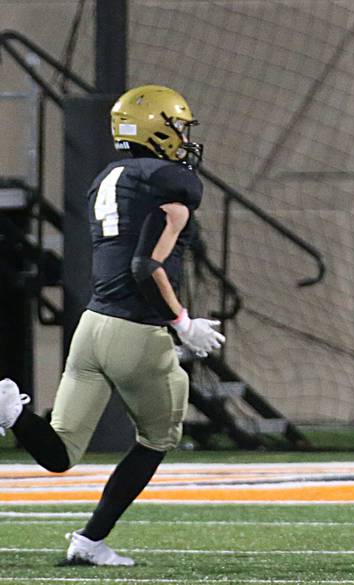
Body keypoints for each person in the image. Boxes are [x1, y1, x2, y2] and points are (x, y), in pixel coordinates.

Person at [0, 85, 225, 564]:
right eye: (177, 127)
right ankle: (90, 539)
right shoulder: (171, 182)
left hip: (93, 326)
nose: (183, 138)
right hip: (137, 332)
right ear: (157, 128)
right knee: (159, 438)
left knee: (60, 453)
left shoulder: (109, 174)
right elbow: (147, 266)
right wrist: (182, 323)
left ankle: (12, 412)